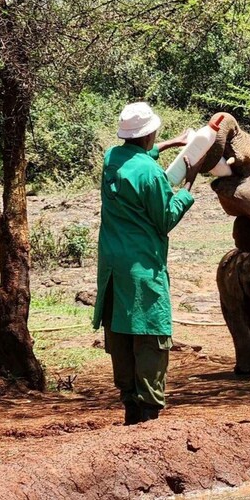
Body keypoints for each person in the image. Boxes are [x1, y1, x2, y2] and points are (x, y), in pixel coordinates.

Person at [93, 102, 203, 425]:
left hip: (113, 270)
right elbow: (166, 217)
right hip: (143, 270)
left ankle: (130, 414)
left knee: (122, 335)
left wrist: (169, 144)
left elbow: (138, 161)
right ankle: (149, 421)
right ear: (148, 133)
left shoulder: (111, 159)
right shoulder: (152, 173)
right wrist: (189, 184)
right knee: (150, 336)